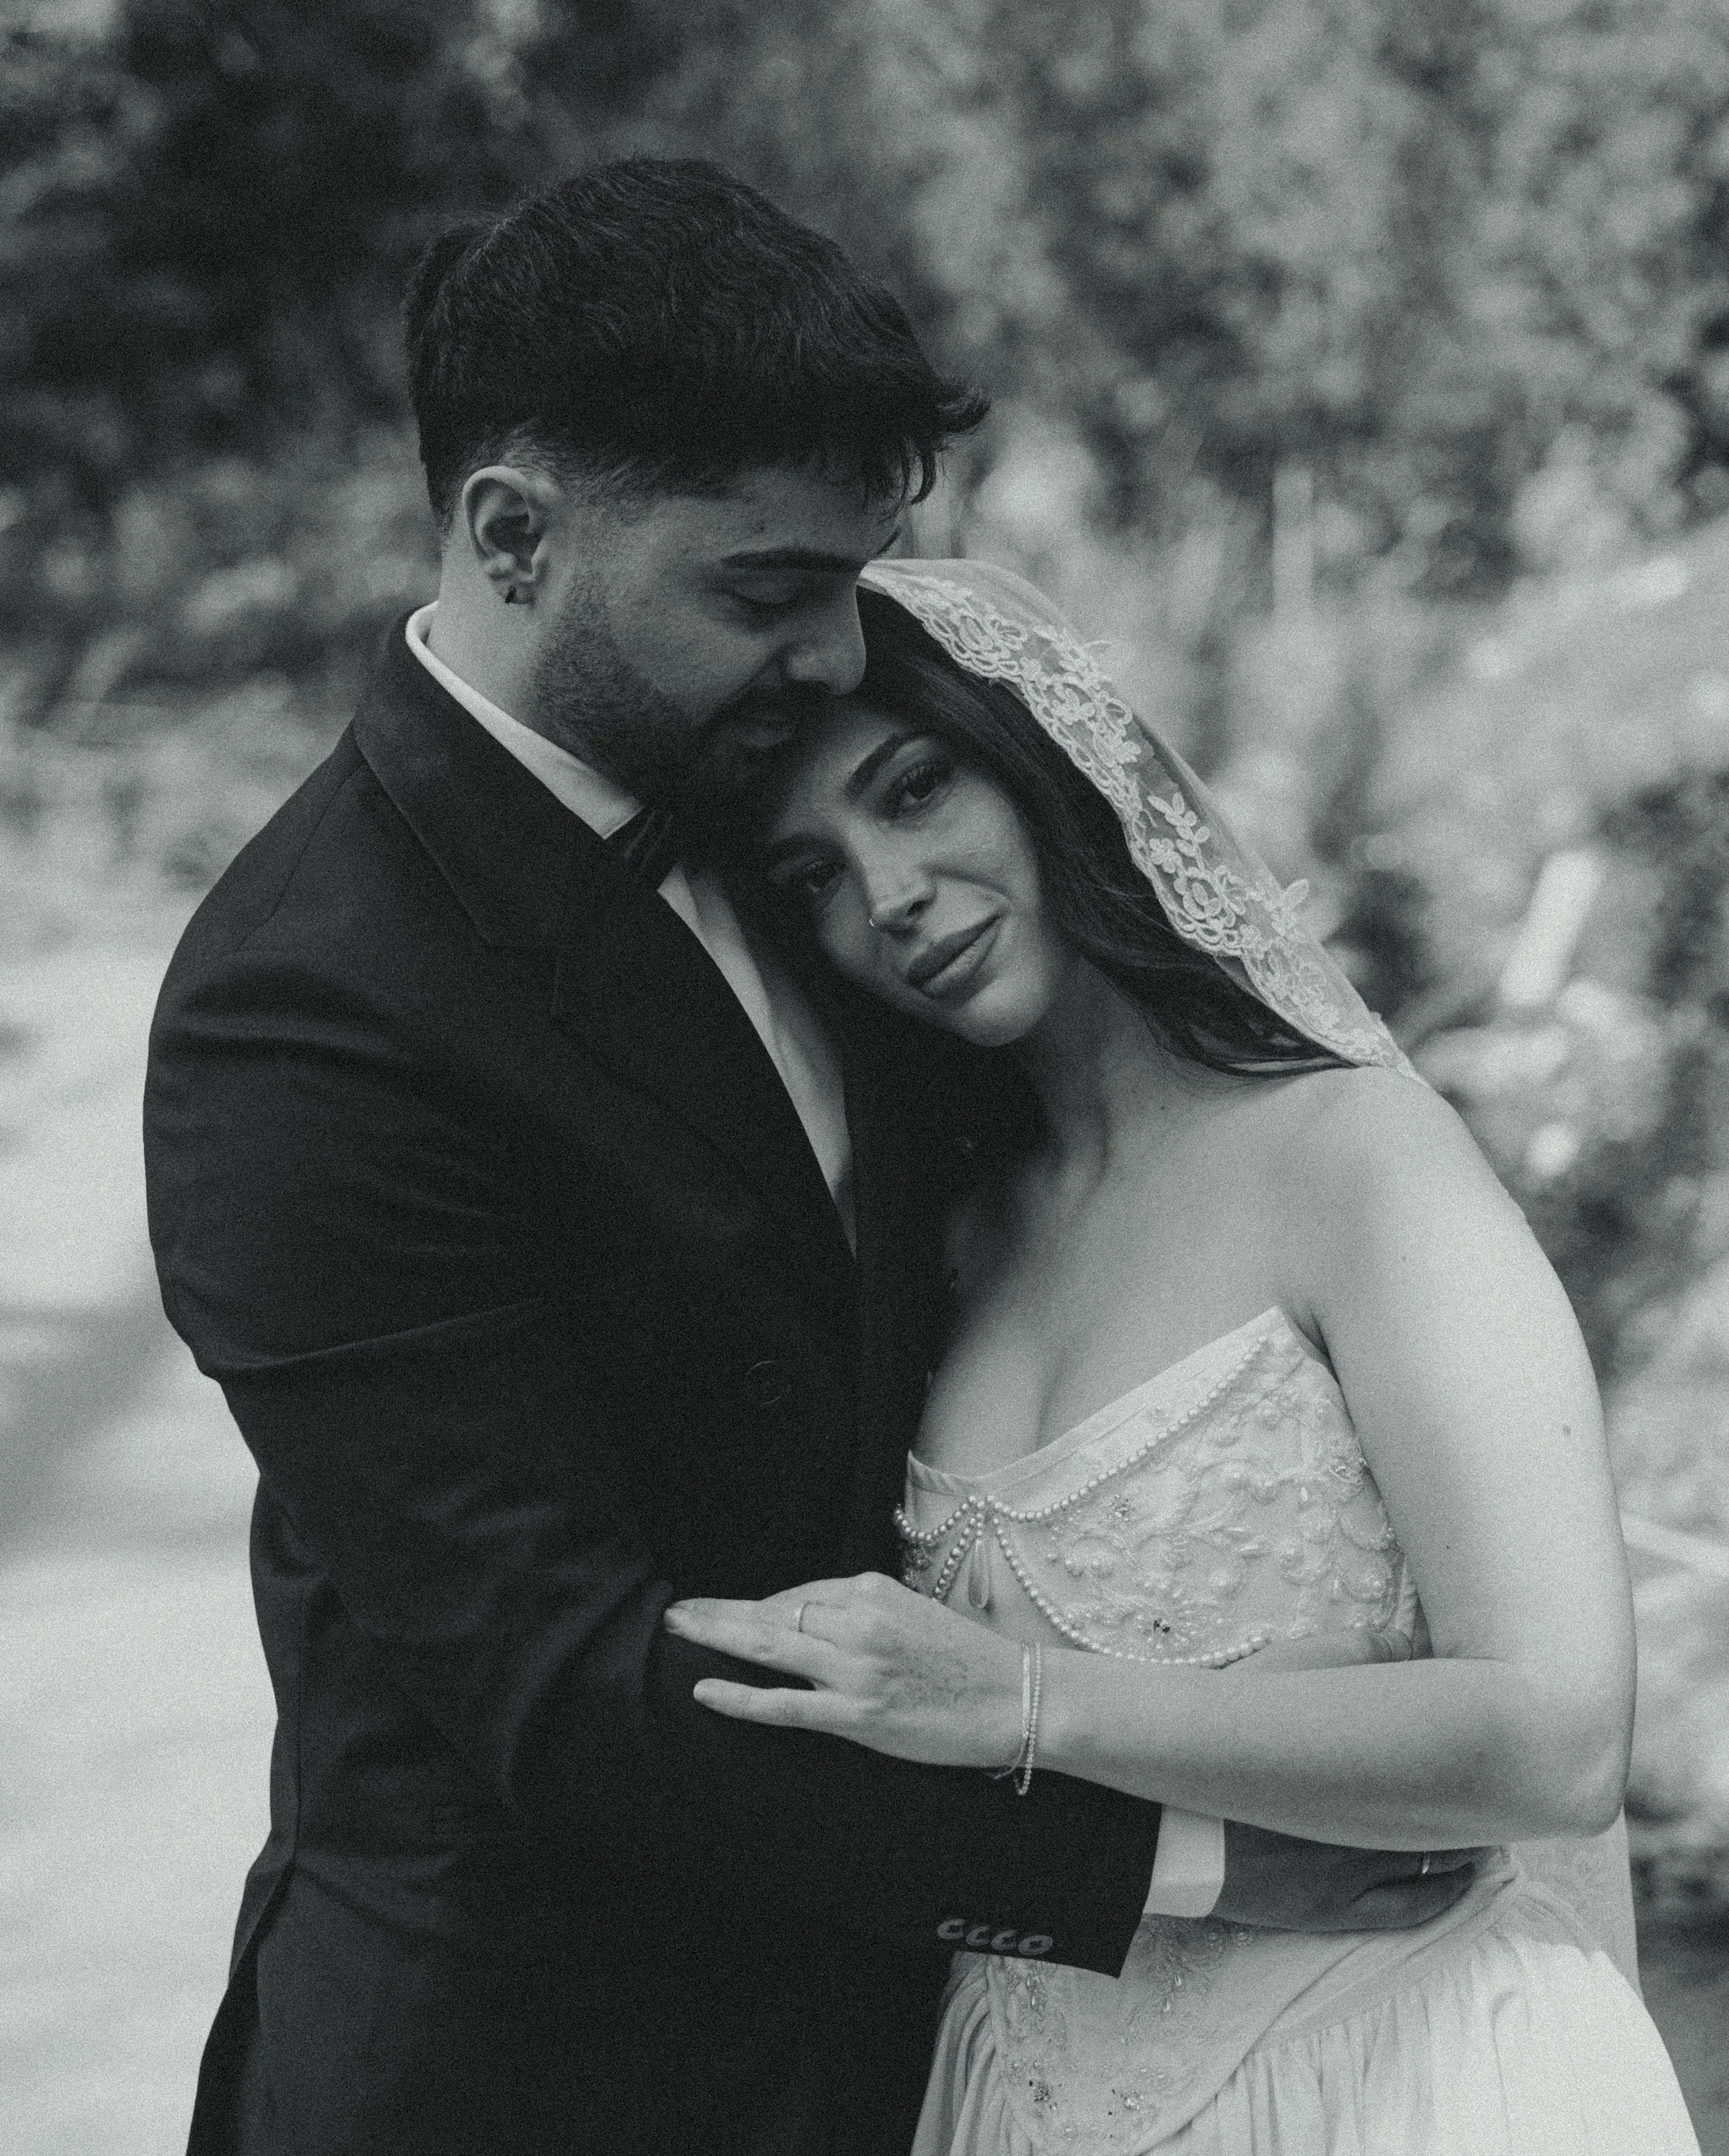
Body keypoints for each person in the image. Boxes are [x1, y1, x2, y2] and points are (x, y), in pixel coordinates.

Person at [145, 162, 1483, 2156]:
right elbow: (569, 1688)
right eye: (768, 590)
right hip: (529, 2071)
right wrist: (1178, 1859)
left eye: (858, 577)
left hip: (923, 2052)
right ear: (513, 535)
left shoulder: (799, 826)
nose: (847, 655)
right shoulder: (304, 1013)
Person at [665, 558, 1703, 2153]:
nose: (887, 898)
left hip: (1389, 2079)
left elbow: (1555, 1731)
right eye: (810, 872)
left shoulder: (1359, 1162)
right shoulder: (941, 1242)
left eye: (917, 787)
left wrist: (1020, 1697)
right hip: (1006, 2097)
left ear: (1051, 767)